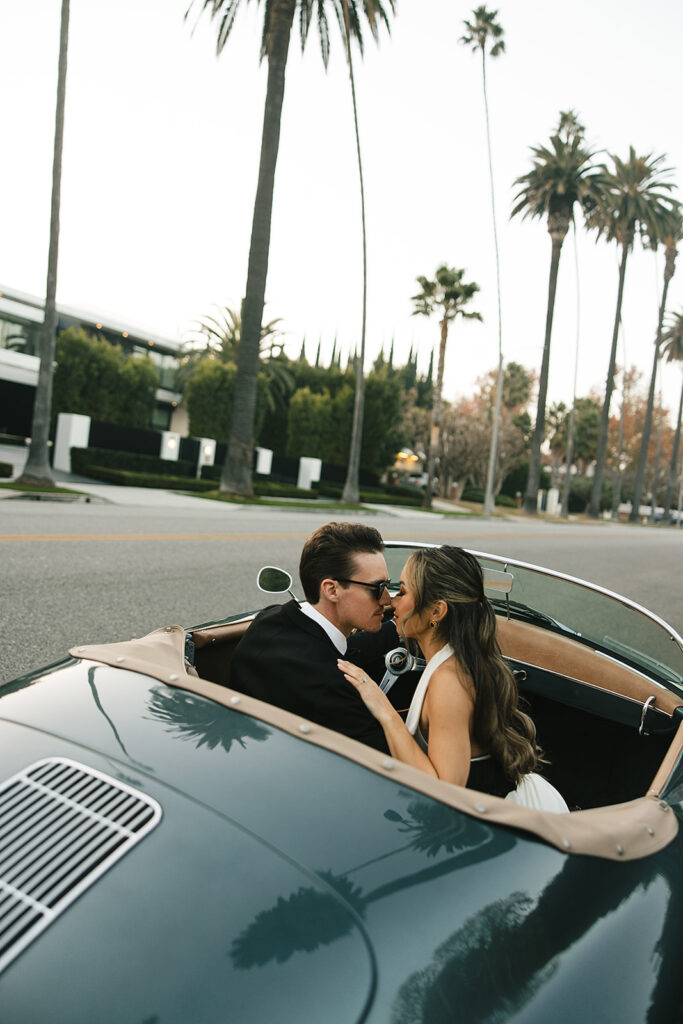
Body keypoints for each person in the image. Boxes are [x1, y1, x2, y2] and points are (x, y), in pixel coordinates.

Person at [339, 545, 569, 811]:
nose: (392, 601)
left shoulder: (449, 682)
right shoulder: (457, 659)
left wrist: (385, 711)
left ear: (436, 612)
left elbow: (444, 792)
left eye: (402, 591)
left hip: (512, 820)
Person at [230, 521, 398, 752]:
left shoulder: (270, 620)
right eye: (377, 588)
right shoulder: (331, 688)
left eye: (388, 585)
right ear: (331, 590)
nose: (387, 599)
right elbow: (391, 762)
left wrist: (398, 630)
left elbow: (336, 650)